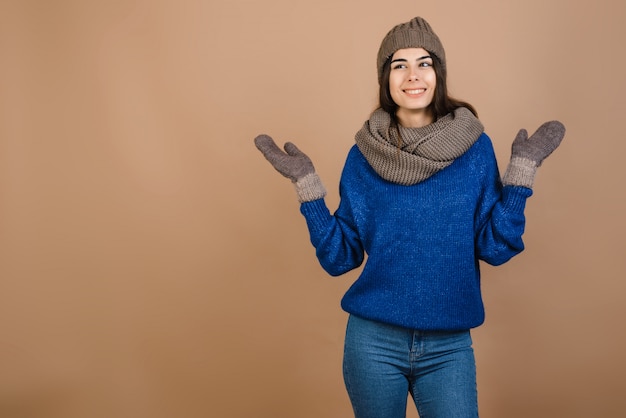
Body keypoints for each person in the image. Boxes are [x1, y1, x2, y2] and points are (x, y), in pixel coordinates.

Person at [254, 16, 565, 418]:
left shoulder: (475, 150)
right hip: (373, 342)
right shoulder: (363, 156)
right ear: (385, 77)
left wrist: (521, 173)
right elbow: (339, 257)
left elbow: (494, 246)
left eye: (424, 62)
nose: (412, 75)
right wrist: (307, 188)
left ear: (439, 73)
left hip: (449, 344)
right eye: (399, 64)